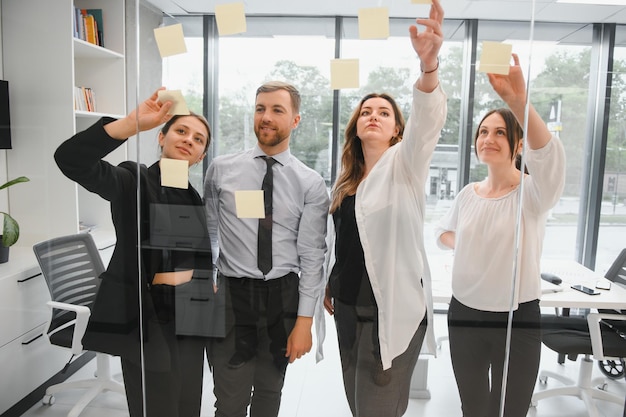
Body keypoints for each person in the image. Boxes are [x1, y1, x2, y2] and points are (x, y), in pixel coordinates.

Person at [54, 88, 213, 417]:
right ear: (161, 137)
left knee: (187, 403)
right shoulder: (133, 180)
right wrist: (130, 123)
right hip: (148, 319)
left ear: (200, 157)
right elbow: (70, 159)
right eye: (181, 131)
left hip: (189, 317)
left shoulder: (193, 196)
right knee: (157, 406)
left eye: (199, 140)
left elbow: (195, 256)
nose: (189, 140)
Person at [322, 1, 447, 415]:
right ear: (356, 126)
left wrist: (428, 67)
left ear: (397, 129)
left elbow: (427, 120)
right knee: (358, 405)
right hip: (346, 306)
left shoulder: (406, 165)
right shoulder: (345, 181)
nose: (373, 116)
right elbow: (344, 242)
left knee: (377, 407)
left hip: (388, 311)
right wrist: (329, 281)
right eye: (366, 112)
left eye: (384, 112)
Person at [434, 53, 566, 417]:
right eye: (483, 131)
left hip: (517, 318)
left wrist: (518, 102)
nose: (488, 138)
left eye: (500, 132)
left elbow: (550, 157)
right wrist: (466, 243)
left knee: (510, 410)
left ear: (518, 144)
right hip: (463, 313)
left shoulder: (533, 195)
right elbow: (442, 232)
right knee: (474, 408)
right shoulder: (467, 194)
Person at [203, 80, 330, 417]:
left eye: (277, 110)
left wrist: (305, 321)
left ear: (296, 120)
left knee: (269, 393)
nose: (266, 117)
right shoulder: (221, 170)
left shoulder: (311, 183)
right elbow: (209, 231)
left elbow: (312, 257)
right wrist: (208, 275)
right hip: (232, 296)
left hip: (282, 297)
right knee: (229, 400)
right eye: (260, 108)